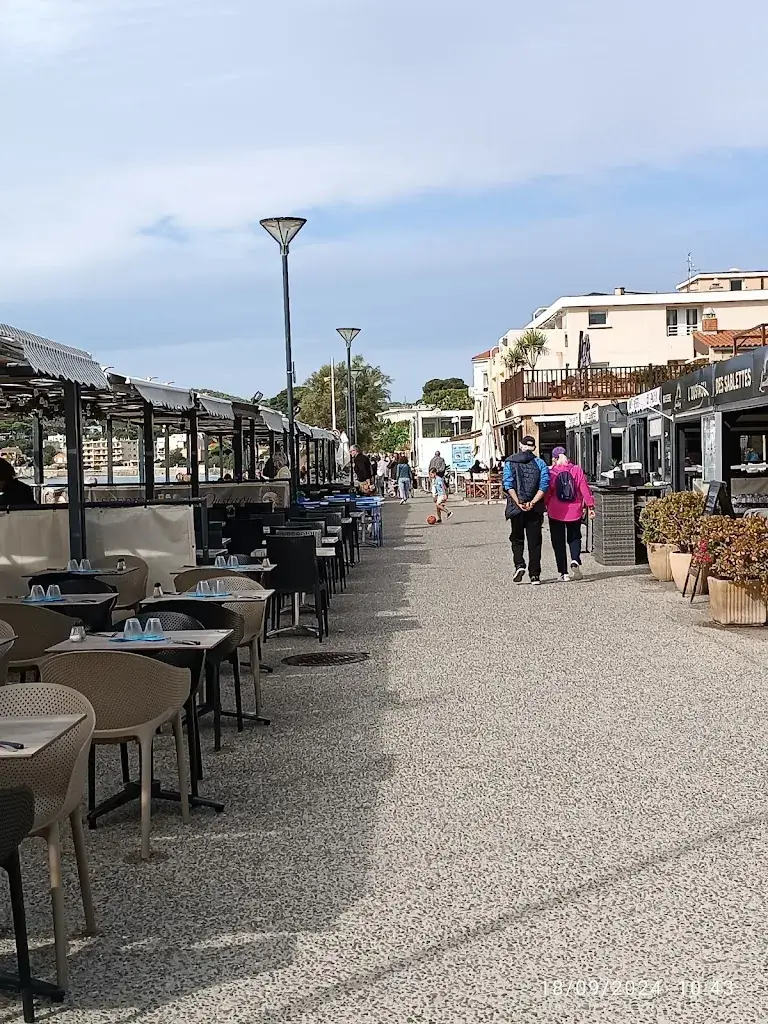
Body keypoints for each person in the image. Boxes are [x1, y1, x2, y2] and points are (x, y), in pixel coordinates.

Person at [502, 436, 549, 585]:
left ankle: (519, 564)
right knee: (535, 541)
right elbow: (544, 485)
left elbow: (508, 484)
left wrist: (518, 502)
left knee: (517, 538)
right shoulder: (540, 463)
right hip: (535, 508)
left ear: (520, 445)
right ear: (534, 448)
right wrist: (533, 502)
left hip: (516, 507)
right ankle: (535, 575)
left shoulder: (510, 462)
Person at [545, 446, 595, 581]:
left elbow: (548, 491)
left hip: (555, 510)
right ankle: (575, 559)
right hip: (574, 510)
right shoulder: (576, 470)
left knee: (558, 541)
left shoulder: (552, 472)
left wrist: (546, 504)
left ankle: (564, 573)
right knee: (575, 537)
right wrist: (590, 506)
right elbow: (585, 489)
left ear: (554, 459)